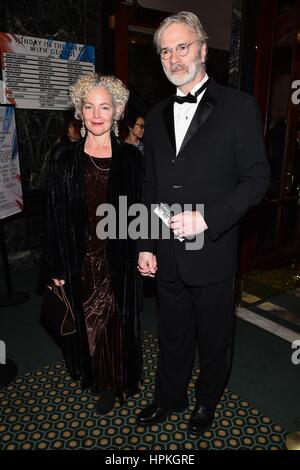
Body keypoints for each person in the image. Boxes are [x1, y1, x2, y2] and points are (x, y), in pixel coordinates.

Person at [137, 11, 270, 434]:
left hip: (212, 250)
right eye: (165, 51)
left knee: (214, 337)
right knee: (171, 333)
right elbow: (152, 185)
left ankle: (206, 402)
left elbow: (257, 180)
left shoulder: (239, 106)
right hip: (168, 253)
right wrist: (146, 242)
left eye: (182, 47)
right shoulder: (156, 114)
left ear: (202, 50)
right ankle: (168, 397)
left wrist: (207, 219)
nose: (174, 58)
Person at [46, 73, 143, 415]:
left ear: (117, 111)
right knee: (87, 322)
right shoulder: (63, 159)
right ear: (80, 111)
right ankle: (93, 373)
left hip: (118, 256)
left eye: (105, 106)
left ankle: (111, 383)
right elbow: (53, 215)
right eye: (89, 106)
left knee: (115, 324)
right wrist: (56, 265)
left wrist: (145, 249)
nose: (97, 113)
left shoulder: (131, 159)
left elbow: (140, 211)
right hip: (79, 257)